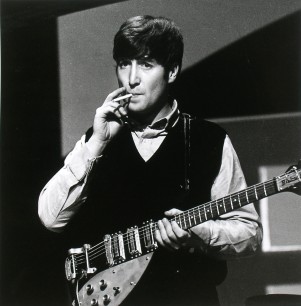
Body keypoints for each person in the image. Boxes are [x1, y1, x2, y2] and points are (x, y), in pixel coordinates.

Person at [38, 15, 262, 306]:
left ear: (171, 71)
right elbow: (50, 218)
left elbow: (249, 232)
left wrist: (200, 234)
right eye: (124, 64)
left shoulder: (210, 139)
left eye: (145, 64)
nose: (132, 79)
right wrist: (97, 142)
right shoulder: (99, 137)